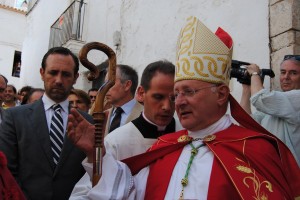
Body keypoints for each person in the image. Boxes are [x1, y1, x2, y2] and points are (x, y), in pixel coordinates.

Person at [67, 16, 300, 199]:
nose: (178, 102)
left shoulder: (255, 149)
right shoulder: (165, 147)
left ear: (221, 94)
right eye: (176, 94)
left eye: (189, 92)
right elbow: (129, 192)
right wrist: (98, 155)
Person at [70, 60, 183, 197]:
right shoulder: (115, 141)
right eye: (158, 97)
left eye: (173, 98)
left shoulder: (187, 135)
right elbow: (84, 192)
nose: (166, 106)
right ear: (141, 93)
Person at [0, 47, 94, 200]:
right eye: (53, 72)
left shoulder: (87, 122)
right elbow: (7, 171)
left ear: (76, 77)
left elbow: (91, 172)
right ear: (42, 73)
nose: (58, 80)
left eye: (66, 74)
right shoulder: (15, 117)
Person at [240, 55, 300, 166]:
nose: (286, 77)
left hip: (290, 176)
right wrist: (246, 89)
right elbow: (247, 123)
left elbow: (260, 98)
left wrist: (254, 74)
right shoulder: (275, 105)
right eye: (283, 72)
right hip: (271, 172)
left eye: (293, 73)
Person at [103, 64, 143, 135]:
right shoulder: (103, 116)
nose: (105, 87)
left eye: (110, 82)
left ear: (127, 85)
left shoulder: (146, 115)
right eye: (105, 83)